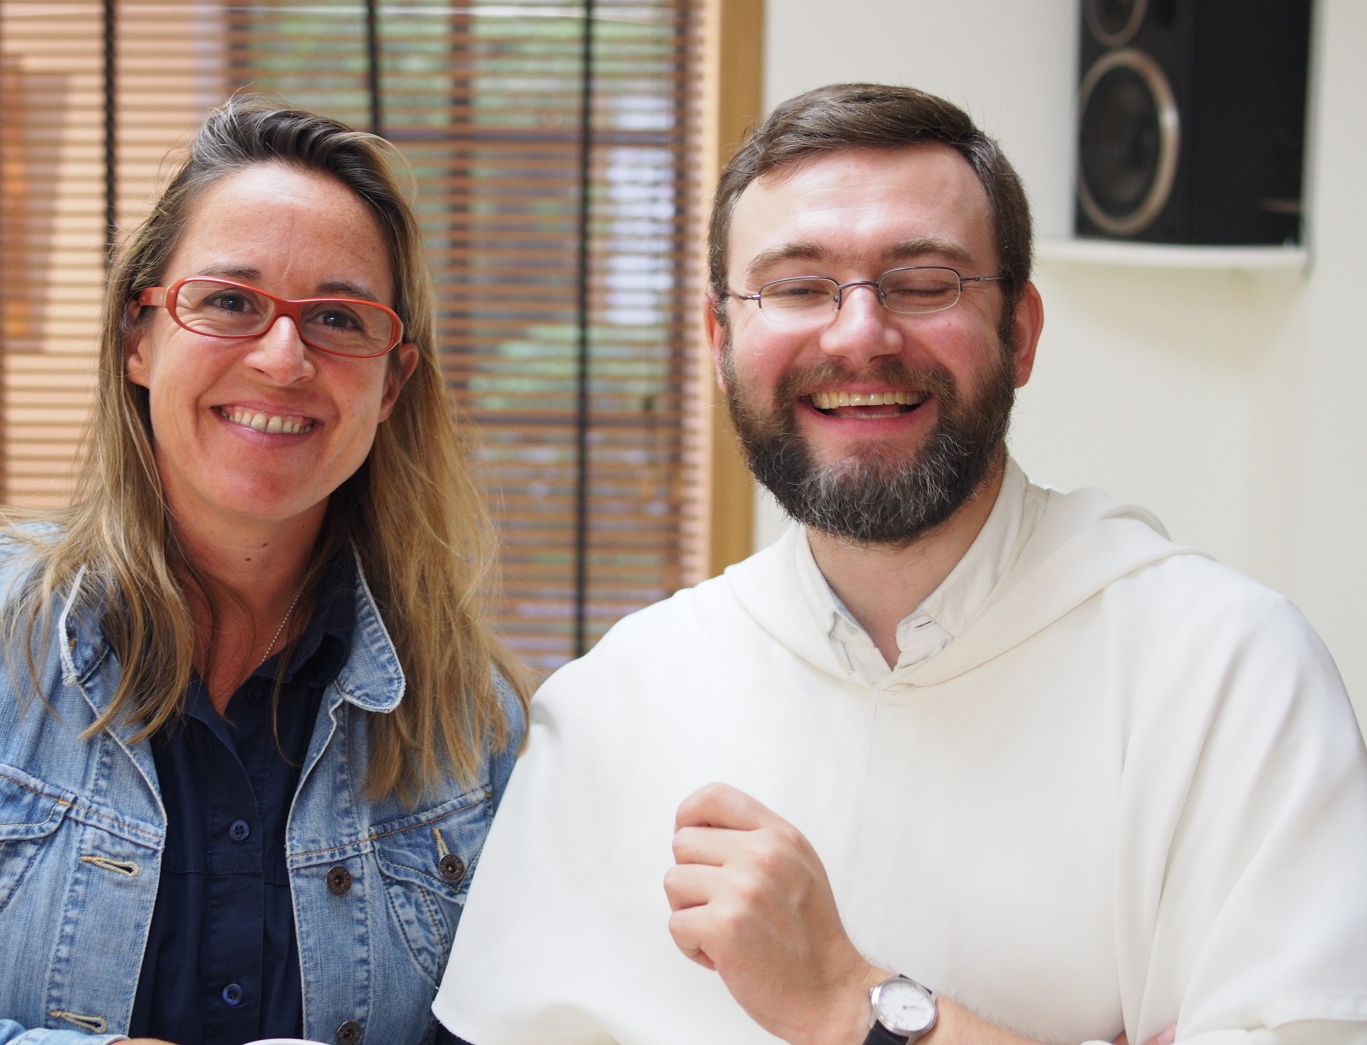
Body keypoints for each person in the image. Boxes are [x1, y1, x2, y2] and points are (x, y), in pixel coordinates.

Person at [433, 84, 1367, 1045]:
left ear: (1019, 333)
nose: (858, 335)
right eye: (797, 288)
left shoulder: (1225, 674)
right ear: (720, 343)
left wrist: (849, 1003)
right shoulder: (614, 705)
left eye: (923, 283)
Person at [0, 98, 527, 1045]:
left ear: (390, 385)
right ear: (137, 338)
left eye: (337, 317)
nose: (283, 357)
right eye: (229, 301)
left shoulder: (473, 723)